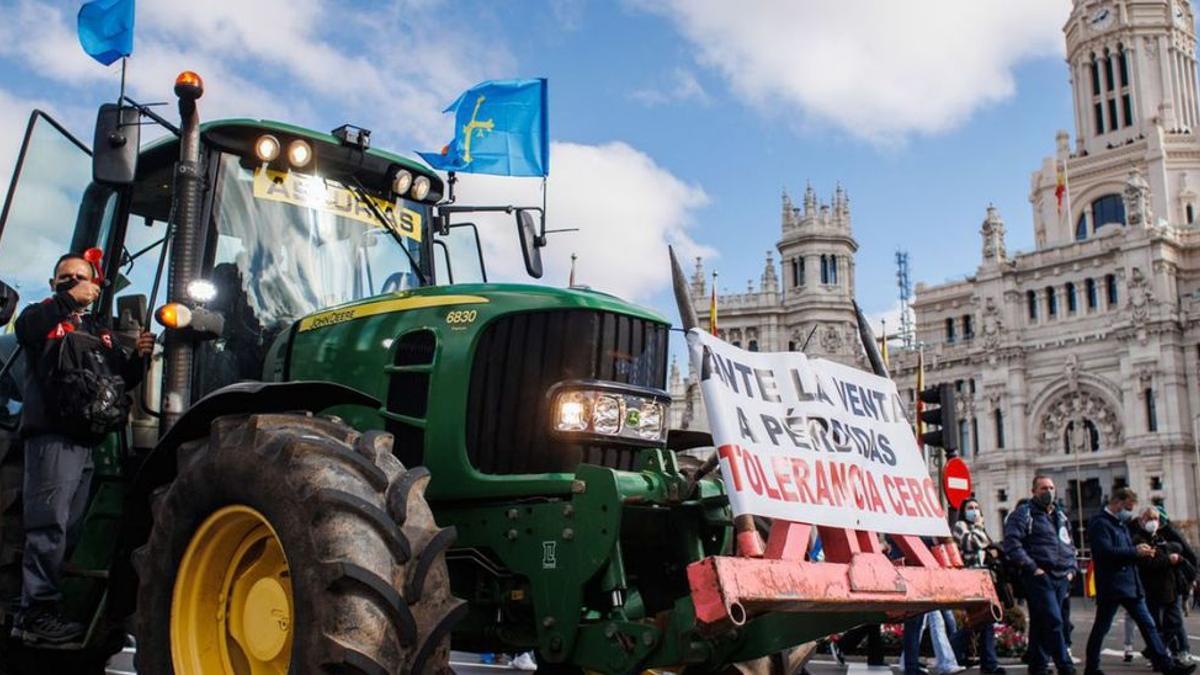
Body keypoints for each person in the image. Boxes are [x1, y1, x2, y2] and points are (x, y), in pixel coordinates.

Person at [11, 253, 153, 645]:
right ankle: (33, 616)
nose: (71, 281)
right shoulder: (42, 317)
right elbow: (26, 330)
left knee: (68, 528)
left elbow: (116, 378)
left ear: (95, 284)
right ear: (54, 281)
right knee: (48, 526)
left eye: (80, 277)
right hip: (51, 438)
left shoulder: (98, 332)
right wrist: (69, 299)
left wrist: (139, 359)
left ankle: (48, 607)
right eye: (64, 276)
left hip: (85, 442)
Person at [1082, 488, 1195, 675]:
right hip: (1112, 585)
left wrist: (1140, 550)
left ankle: (1166, 665)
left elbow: (1126, 549)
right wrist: (1135, 552)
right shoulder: (1100, 523)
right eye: (1128, 506)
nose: (1129, 511)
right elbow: (1104, 552)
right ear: (1118, 502)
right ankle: (1091, 667)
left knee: (1148, 625)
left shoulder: (1119, 523)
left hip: (1131, 585)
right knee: (1102, 627)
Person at [1003, 475, 1078, 675]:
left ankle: (1038, 666)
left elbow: (1069, 545)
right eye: (1044, 488)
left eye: (1051, 487)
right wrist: (1032, 568)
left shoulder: (1060, 516)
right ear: (1034, 491)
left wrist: (1072, 570)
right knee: (1054, 621)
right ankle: (1065, 665)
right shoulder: (1023, 514)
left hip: (1061, 577)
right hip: (1038, 576)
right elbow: (1012, 544)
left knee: (1040, 620)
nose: (1049, 492)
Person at [1130, 507, 1193, 661]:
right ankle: (1160, 654)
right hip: (1151, 587)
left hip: (1170, 587)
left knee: (1173, 622)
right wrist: (1167, 559)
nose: (1153, 522)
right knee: (1156, 623)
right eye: (1149, 518)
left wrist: (1165, 554)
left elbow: (1178, 547)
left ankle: (1159, 650)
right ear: (1141, 521)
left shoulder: (1160, 537)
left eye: (1155, 519)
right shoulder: (1139, 539)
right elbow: (1149, 563)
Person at [951, 499, 1006, 674]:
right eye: (970, 508)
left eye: (976, 508)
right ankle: (951, 649)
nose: (974, 511)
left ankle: (989, 665)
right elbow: (970, 543)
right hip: (970, 579)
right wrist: (979, 527)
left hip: (985, 580)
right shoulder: (960, 526)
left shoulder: (979, 529)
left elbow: (986, 548)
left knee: (985, 620)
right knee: (978, 621)